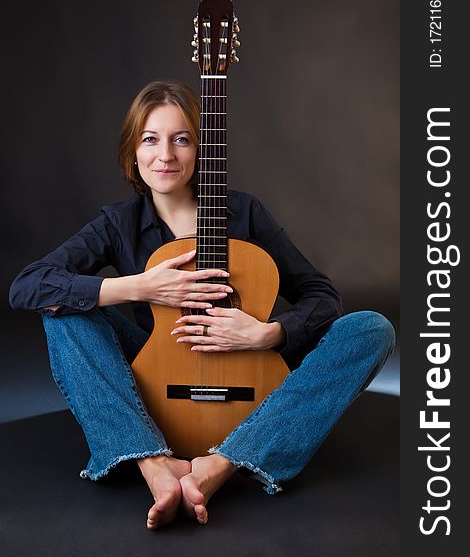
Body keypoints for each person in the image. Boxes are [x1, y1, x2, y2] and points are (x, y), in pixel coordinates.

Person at [9, 80, 395, 530]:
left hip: (252, 367)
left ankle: (224, 462)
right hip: (159, 378)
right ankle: (154, 463)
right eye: (150, 139)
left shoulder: (244, 213)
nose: (166, 155)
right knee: (63, 312)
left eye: (181, 139)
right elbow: (28, 286)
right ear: (133, 152)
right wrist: (141, 287)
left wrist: (267, 333)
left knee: (372, 328)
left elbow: (321, 295)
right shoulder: (118, 224)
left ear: (200, 150)